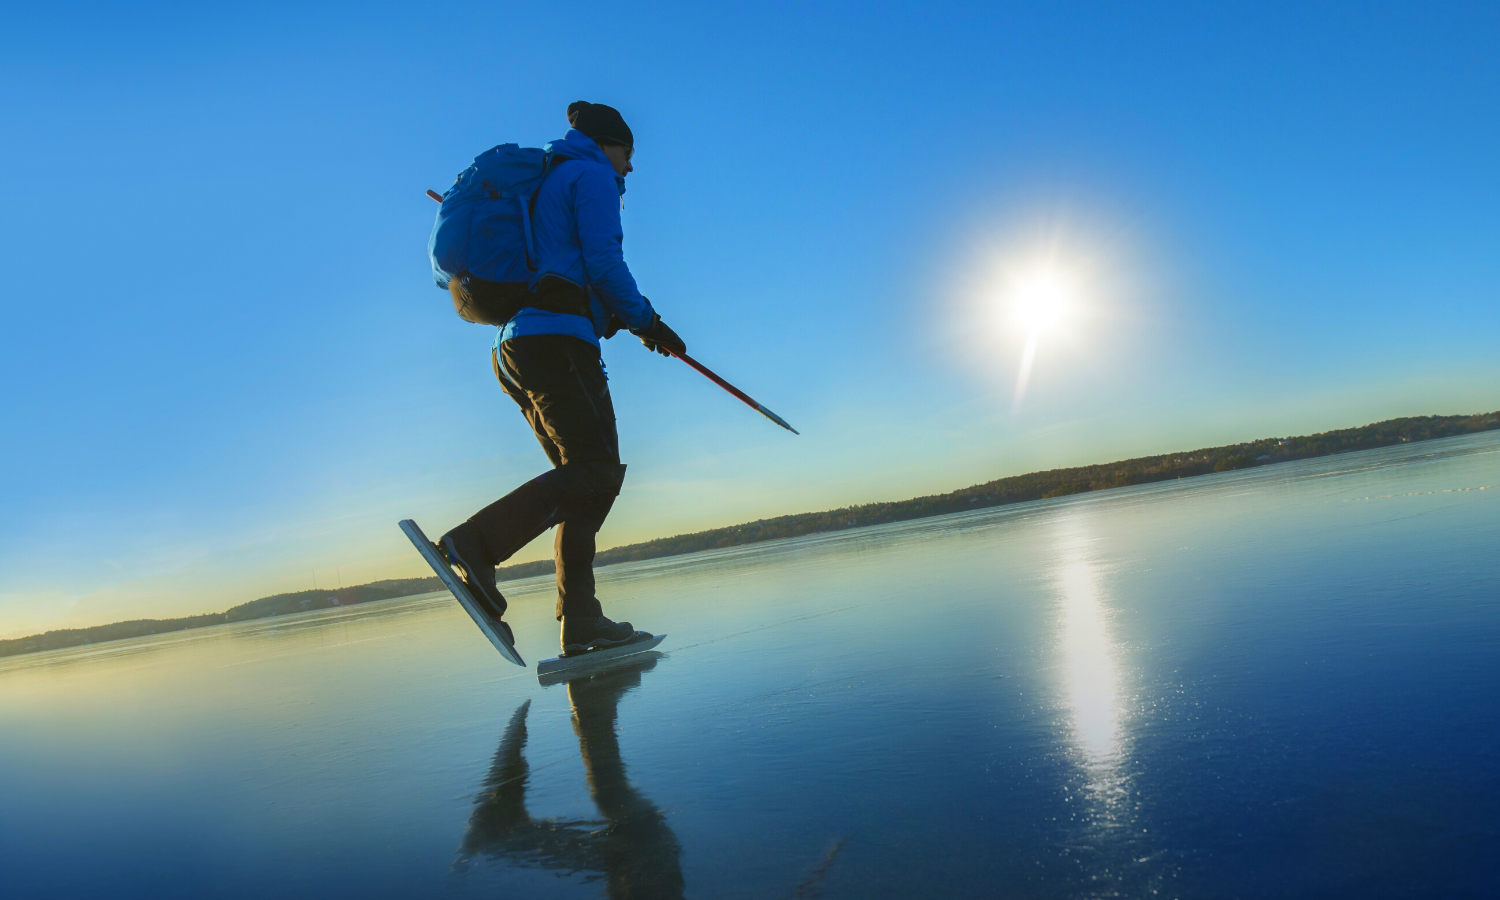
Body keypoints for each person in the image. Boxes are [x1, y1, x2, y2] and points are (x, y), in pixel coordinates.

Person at [438, 101, 686, 657]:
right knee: (596, 471)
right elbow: (603, 262)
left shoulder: (554, 179)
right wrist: (650, 322)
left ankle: (580, 621)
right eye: (627, 153)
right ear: (606, 145)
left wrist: (609, 317)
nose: (630, 168)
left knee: (587, 484)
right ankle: (474, 545)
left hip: (520, 346)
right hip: (555, 346)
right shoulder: (591, 175)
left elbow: (566, 275)